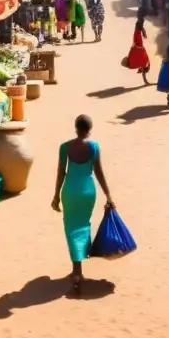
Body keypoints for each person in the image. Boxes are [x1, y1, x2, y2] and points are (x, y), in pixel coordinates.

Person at [52, 114, 114, 294]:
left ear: (75, 128)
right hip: (88, 192)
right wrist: (108, 195)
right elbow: (99, 173)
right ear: (89, 130)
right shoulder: (94, 147)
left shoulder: (64, 148)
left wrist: (56, 195)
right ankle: (79, 268)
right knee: (83, 226)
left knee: (71, 228)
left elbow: (60, 173)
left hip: (70, 191)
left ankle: (77, 271)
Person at [123, 12, 151, 84]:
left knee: (145, 61)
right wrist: (143, 31)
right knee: (145, 61)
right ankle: (145, 79)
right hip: (138, 46)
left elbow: (139, 26)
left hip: (138, 46)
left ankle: (144, 78)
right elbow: (139, 27)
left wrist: (143, 31)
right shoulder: (138, 27)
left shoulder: (138, 25)